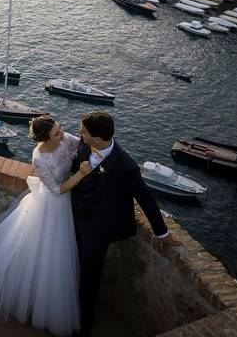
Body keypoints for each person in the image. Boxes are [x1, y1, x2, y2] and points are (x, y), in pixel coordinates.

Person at [0, 116, 90, 337]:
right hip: (52, 203)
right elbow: (55, 189)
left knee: (51, 256)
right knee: (44, 255)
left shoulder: (65, 140)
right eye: (57, 133)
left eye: (60, 128)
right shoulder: (39, 159)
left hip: (64, 201)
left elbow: (82, 146)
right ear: (45, 139)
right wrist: (81, 174)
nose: (62, 134)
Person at [71, 111, 180, 335]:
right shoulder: (85, 142)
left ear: (98, 138)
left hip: (98, 229)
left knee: (89, 277)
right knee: (72, 264)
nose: (79, 133)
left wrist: (162, 233)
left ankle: (83, 325)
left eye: (83, 131)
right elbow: (75, 167)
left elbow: (146, 199)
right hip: (75, 216)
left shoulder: (125, 166)